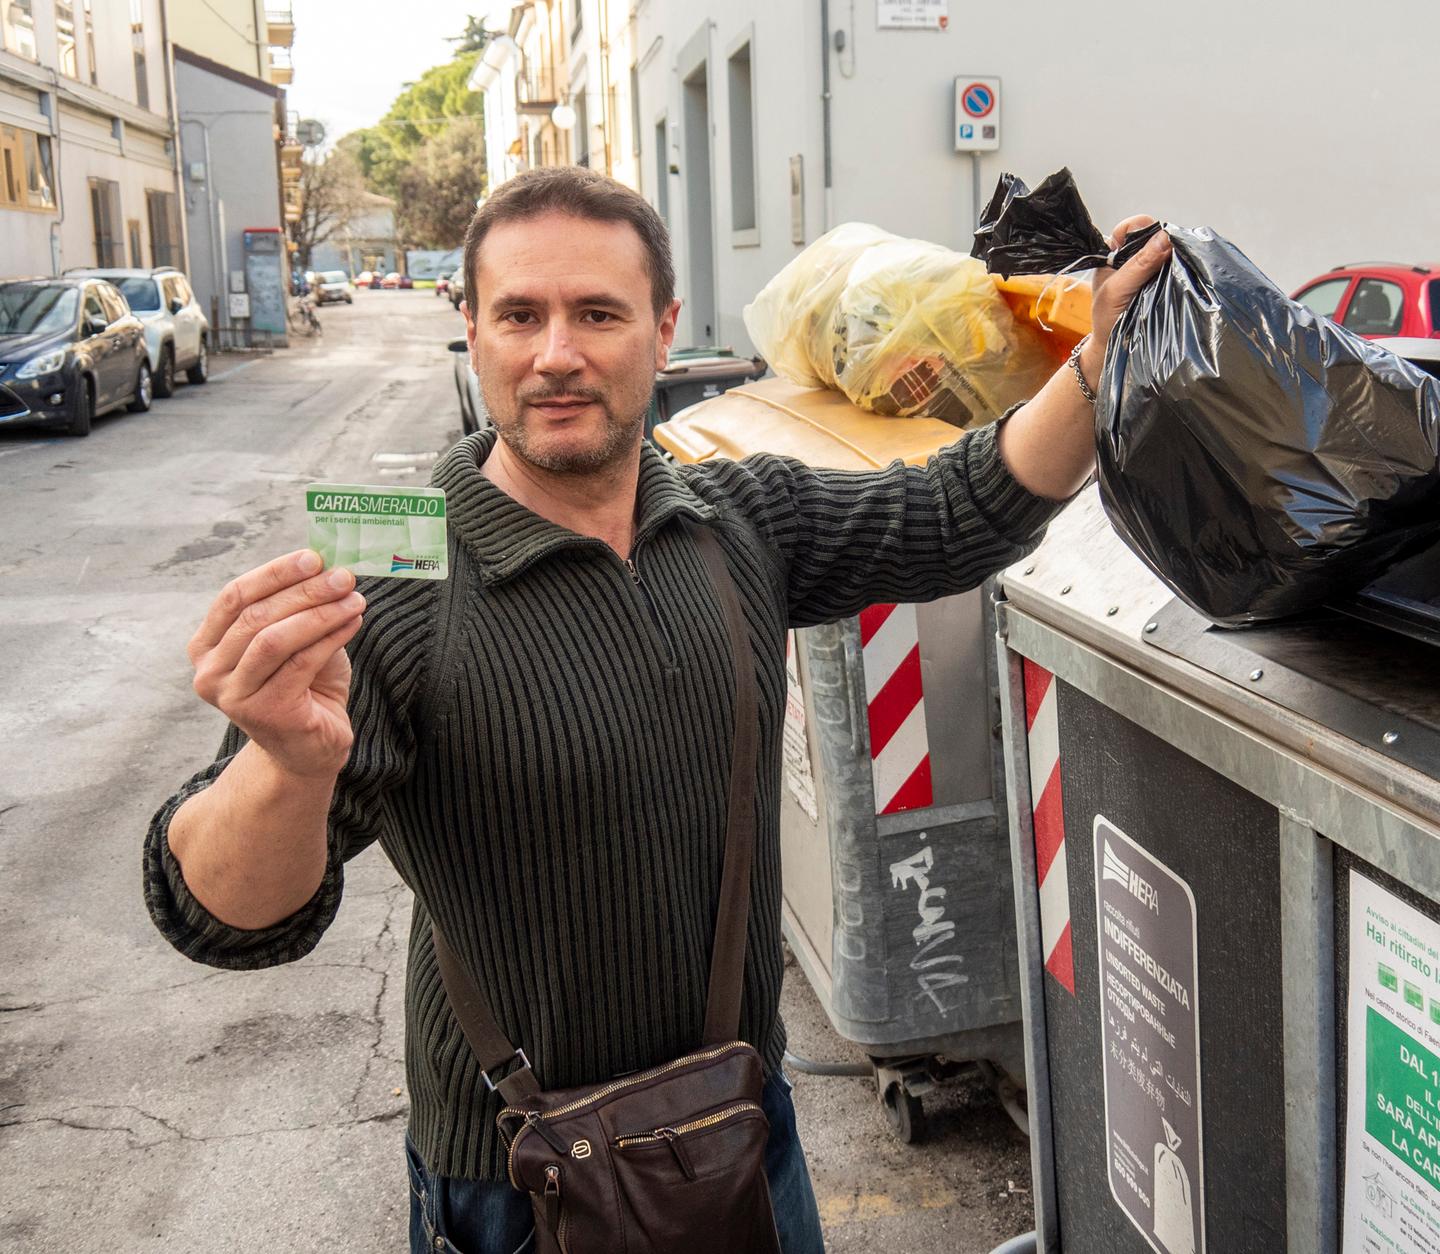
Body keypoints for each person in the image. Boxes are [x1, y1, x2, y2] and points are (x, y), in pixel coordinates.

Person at [143, 166, 1171, 1252]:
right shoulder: (392, 572)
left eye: (597, 313)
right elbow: (221, 914)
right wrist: (286, 765)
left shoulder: (735, 517)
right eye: (520, 316)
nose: (556, 354)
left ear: (664, 330)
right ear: (474, 331)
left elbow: (960, 505)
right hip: (520, 1184)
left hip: (737, 1131)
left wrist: (1096, 365)